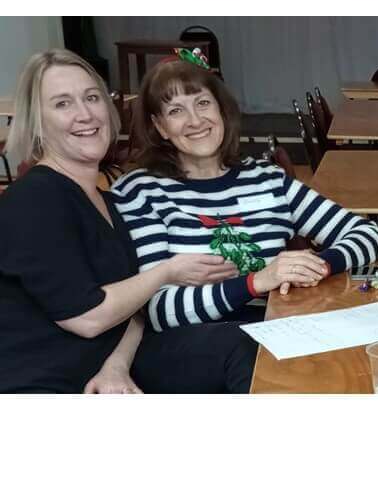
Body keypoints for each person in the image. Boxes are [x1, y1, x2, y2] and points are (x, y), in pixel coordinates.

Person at [0, 51, 255, 393]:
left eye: (92, 98)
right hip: (48, 383)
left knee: (242, 343)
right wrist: (167, 271)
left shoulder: (110, 200)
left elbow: (135, 307)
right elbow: (87, 318)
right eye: (63, 104)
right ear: (37, 122)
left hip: (112, 367)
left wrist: (116, 366)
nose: (85, 114)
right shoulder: (35, 199)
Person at [111, 54, 378, 330]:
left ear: (221, 110)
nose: (195, 120)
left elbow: (370, 236)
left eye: (203, 103)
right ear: (160, 127)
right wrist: (256, 282)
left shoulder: (267, 179)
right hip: (198, 347)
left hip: (281, 329)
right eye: (176, 111)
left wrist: (319, 265)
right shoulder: (141, 192)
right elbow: (160, 311)